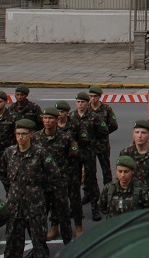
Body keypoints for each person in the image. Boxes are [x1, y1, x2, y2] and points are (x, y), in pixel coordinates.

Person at [1, 119, 63, 258]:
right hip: (14, 205)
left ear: (31, 134)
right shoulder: (9, 152)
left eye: (24, 134)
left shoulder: (40, 153)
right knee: (12, 244)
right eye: (18, 134)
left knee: (39, 243)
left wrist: (39, 191)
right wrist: (12, 190)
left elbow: (54, 175)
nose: (20, 137)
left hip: (35, 205)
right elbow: (3, 174)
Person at [34, 107, 79, 243]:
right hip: (42, 182)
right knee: (41, 215)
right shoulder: (36, 137)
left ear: (57, 120)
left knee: (63, 214)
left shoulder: (65, 138)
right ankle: (39, 246)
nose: (47, 121)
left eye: (50, 118)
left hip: (59, 182)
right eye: (45, 118)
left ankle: (67, 243)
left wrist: (66, 177)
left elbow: (73, 157)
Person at [70, 91, 108, 222]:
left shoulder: (94, 116)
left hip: (89, 153)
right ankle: (75, 208)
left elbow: (103, 132)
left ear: (87, 103)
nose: (80, 104)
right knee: (74, 181)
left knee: (91, 180)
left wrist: (93, 144)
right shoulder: (71, 116)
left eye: (83, 102)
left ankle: (94, 207)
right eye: (78, 102)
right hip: (75, 154)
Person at [55, 99, 84, 236]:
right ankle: (54, 226)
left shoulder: (74, 125)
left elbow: (83, 144)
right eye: (58, 112)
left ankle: (78, 225)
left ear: (67, 113)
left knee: (75, 198)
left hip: (71, 168)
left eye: (62, 111)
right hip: (55, 171)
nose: (59, 114)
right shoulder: (51, 128)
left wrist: (82, 166)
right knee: (56, 200)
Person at [87, 85, 118, 188]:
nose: (92, 99)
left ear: (99, 97)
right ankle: (91, 193)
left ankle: (108, 191)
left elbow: (114, 125)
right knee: (90, 171)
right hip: (89, 145)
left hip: (102, 144)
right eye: (91, 96)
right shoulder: (86, 108)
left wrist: (103, 133)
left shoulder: (106, 109)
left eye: (95, 96)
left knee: (106, 169)